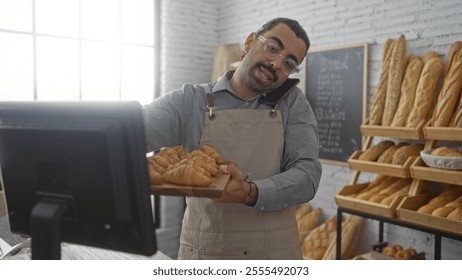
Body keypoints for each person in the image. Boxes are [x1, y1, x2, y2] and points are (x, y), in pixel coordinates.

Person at [143, 17, 322, 260]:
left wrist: (250, 192)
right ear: (250, 42)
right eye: (272, 47)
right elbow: (128, 135)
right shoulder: (191, 101)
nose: (276, 63)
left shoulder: (294, 104)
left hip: (273, 256)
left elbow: (308, 176)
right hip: (206, 252)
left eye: (289, 63)